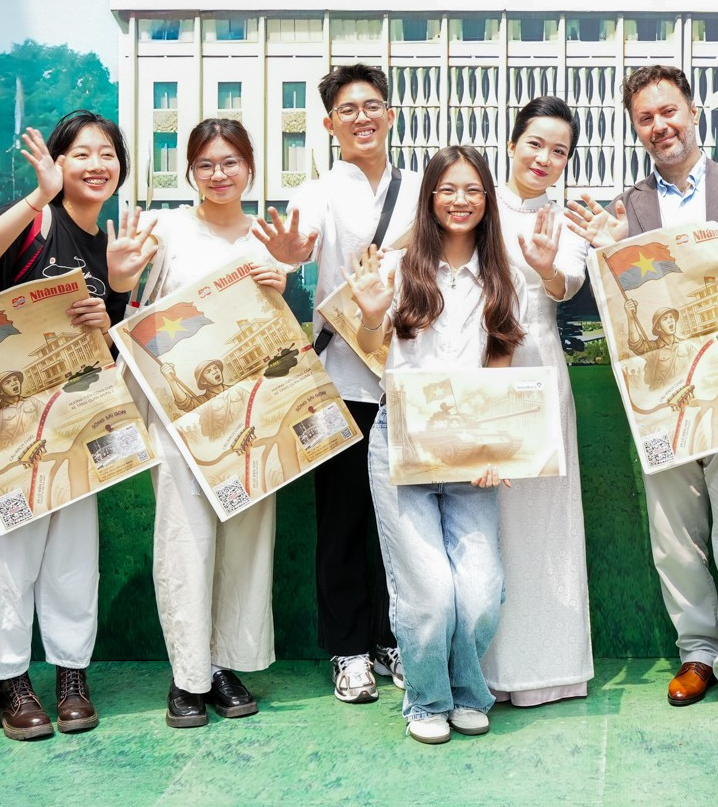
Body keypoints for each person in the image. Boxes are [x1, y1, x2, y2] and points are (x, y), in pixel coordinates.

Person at [566, 65, 718, 726]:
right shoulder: (625, 206)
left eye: (669, 111)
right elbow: (605, 297)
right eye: (645, 117)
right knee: (673, 534)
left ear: (695, 112)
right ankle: (696, 650)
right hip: (662, 392)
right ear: (636, 128)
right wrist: (609, 252)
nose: (660, 124)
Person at [0, 112, 156, 739]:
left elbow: (114, 355)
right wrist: (37, 196)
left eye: (108, 154)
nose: (97, 164)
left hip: (74, 427)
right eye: (81, 153)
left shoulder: (115, 247)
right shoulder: (39, 221)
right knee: (6, 559)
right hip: (4, 426)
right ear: (59, 163)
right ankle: (11, 686)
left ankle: (72, 674)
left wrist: (116, 305)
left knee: (73, 560)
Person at [348, 147, 526, 744]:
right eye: (447, 189)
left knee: (478, 592)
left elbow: (500, 366)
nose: (460, 200)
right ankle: (427, 701)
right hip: (400, 447)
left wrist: (495, 449)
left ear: (487, 201)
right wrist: (372, 314)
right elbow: (374, 343)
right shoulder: (397, 269)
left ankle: (467, 693)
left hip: (475, 452)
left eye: (473, 190)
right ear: (429, 198)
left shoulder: (503, 275)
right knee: (427, 590)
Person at [253, 64, 418, 706]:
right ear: (328, 125)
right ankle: (348, 651)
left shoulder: (423, 187)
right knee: (343, 519)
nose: (361, 118)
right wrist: (291, 262)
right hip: (342, 377)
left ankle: (392, 638)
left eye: (371, 105)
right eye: (347, 110)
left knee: (401, 520)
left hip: (408, 375)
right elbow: (280, 266)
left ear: (391, 114)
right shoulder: (314, 193)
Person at [134, 119, 289, 728]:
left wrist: (283, 282)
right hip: (179, 411)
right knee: (183, 536)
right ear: (190, 171)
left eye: (230, 162)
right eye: (206, 164)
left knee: (248, 538)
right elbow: (134, 307)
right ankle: (187, 676)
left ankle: (227, 664)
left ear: (250, 166)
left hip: (251, 412)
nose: (218, 174)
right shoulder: (164, 228)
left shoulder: (267, 236)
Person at [484, 96, 595, 707]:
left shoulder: (566, 222)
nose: (544, 158)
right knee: (483, 519)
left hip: (540, 367)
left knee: (545, 520)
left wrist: (548, 270)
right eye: (535, 144)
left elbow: (567, 283)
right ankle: (482, 667)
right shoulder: (474, 204)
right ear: (511, 143)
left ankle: (545, 669)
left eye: (559, 151)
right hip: (480, 369)